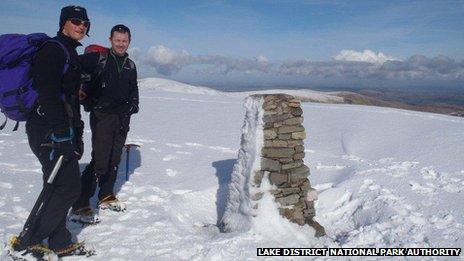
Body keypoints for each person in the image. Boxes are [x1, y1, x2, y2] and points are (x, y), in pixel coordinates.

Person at [12, 5, 89, 257]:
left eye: (85, 23)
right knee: (68, 187)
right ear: (63, 23)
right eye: (76, 21)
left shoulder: (67, 51)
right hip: (48, 129)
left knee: (57, 184)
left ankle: (59, 239)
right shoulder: (54, 50)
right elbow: (47, 93)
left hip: (59, 127)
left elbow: (64, 94)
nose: (82, 26)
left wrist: (73, 129)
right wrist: (62, 133)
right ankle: (33, 238)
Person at [71, 24, 139, 222]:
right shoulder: (98, 58)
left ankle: (106, 194)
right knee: (100, 159)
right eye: (117, 40)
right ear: (110, 40)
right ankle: (81, 202)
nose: (120, 44)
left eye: (124, 41)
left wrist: (134, 104)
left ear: (129, 41)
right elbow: (74, 65)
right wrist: (87, 98)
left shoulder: (130, 65)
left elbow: (133, 88)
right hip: (103, 117)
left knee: (115, 156)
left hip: (122, 118)